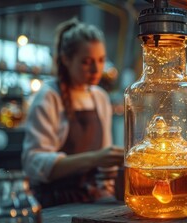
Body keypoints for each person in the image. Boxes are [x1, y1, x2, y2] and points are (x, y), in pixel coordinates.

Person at [21, 18, 123, 207]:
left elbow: (105, 167)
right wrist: (95, 158)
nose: (96, 69)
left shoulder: (99, 97)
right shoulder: (49, 96)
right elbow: (34, 162)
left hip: (92, 199)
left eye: (101, 60)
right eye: (86, 62)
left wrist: (107, 185)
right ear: (66, 59)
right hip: (55, 202)